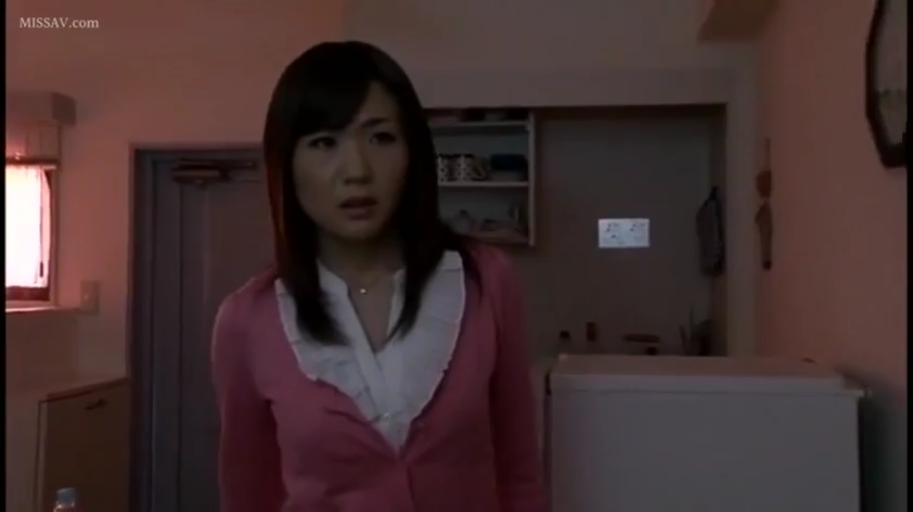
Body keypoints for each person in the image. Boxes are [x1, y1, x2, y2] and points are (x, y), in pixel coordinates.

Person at [210, 41, 547, 512]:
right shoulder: (246, 320)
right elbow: (248, 495)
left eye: (381, 137)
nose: (357, 171)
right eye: (324, 143)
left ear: (413, 153)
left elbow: (519, 474)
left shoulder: (486, 281)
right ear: (286, 165)